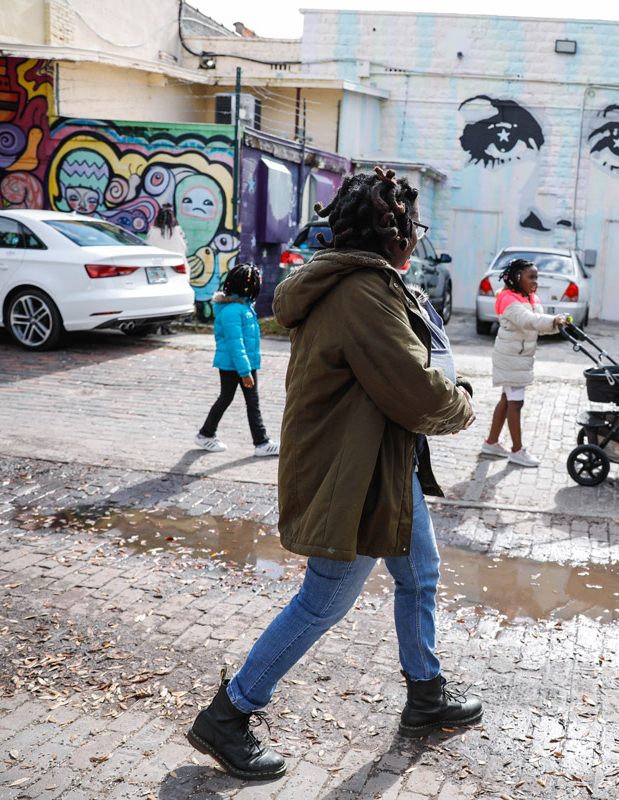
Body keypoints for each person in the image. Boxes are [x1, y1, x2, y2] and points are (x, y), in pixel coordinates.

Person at [186, 167, 480, 782]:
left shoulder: (370, 283)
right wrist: (461, 403)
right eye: (414, 227)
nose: (417, 240)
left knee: (420, 575)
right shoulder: (361, 295)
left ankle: (425, 694)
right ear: (391, 231)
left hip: (388, 466)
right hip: (353, 477)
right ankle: (229, 714)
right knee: (324, 600)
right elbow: (414, 388)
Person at [480, 258, 568, 467]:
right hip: (511, 359)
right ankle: (517, 450)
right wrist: (553, 320)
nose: (535, 281)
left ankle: (491, 443)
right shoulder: (508, 299)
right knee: (515, 403)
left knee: (506, 399)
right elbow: (528, 320)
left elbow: (538, 324)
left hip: (518, 358)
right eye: (531, 277)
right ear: (517, 277)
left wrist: (557, 323)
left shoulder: (529, 297)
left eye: (537, 277)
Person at [193, 264, 280, 458]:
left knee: (233, 399)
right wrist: (245, 372)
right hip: (236, 366)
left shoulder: (243, 308)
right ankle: (261, 442)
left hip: (242, 364)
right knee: (243, 400)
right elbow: (235, 344)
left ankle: (206, 433)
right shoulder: (234, 311)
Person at [145, 204, 189, 334]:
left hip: (156, 271)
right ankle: (166, 327)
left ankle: (153, 326)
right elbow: (184, 248)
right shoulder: (178, 231)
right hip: (177, 270)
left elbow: (148, 248)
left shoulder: (153, 231)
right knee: (172, 300)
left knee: (156, 300)